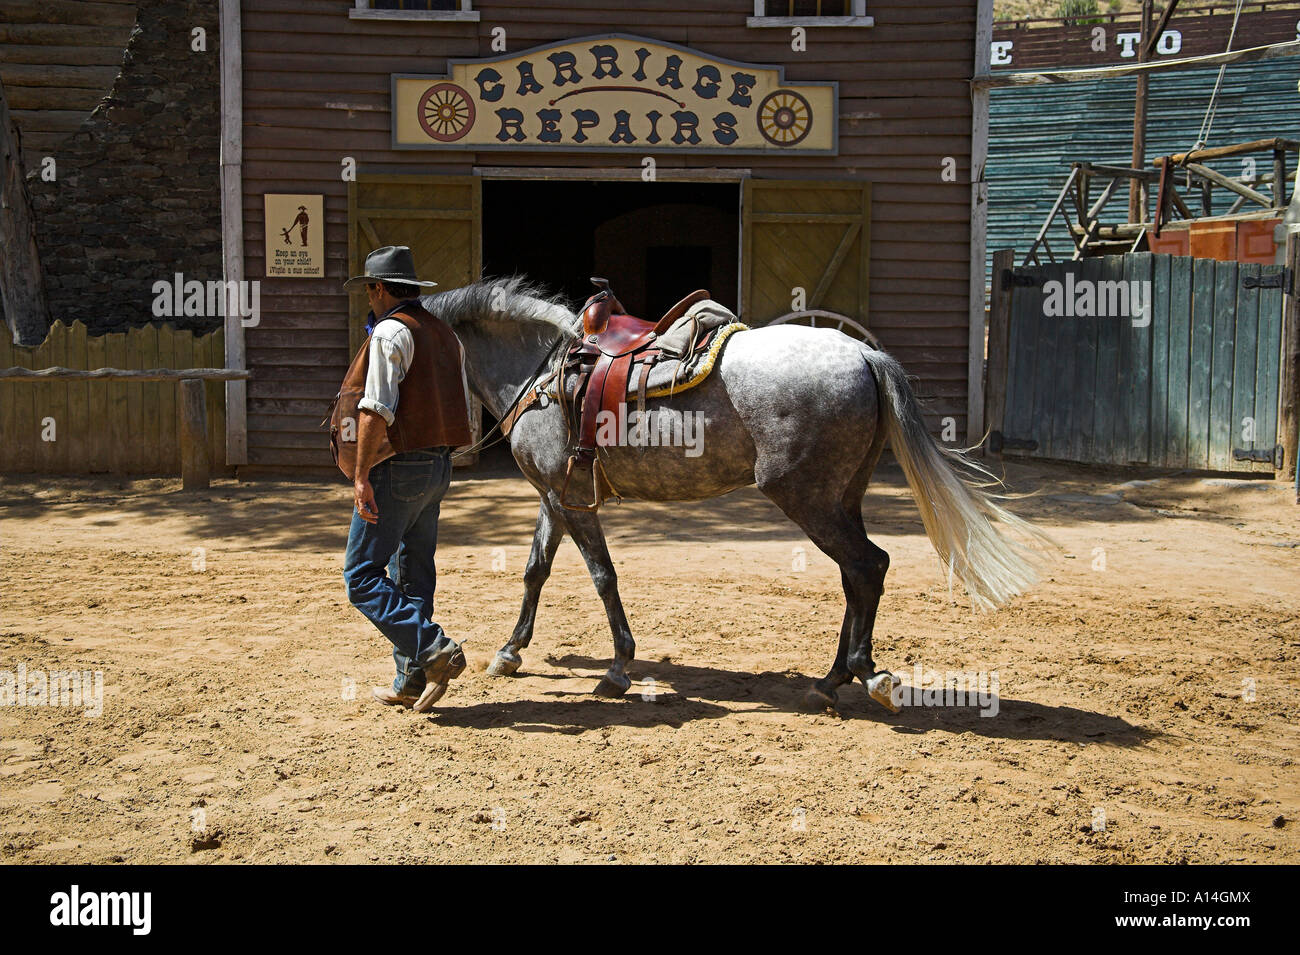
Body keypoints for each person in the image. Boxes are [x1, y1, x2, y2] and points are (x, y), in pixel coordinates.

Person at [338, 246, 472, 712]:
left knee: (361, 576)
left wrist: (360, 475)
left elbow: (375, 408)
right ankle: (411, 680)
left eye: (367, 290)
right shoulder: (442, 331)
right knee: (413, 571)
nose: (367, 300)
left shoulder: (391, 332)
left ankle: (435, 648)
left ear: (378, 288)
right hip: (438, 466)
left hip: (399, 467)